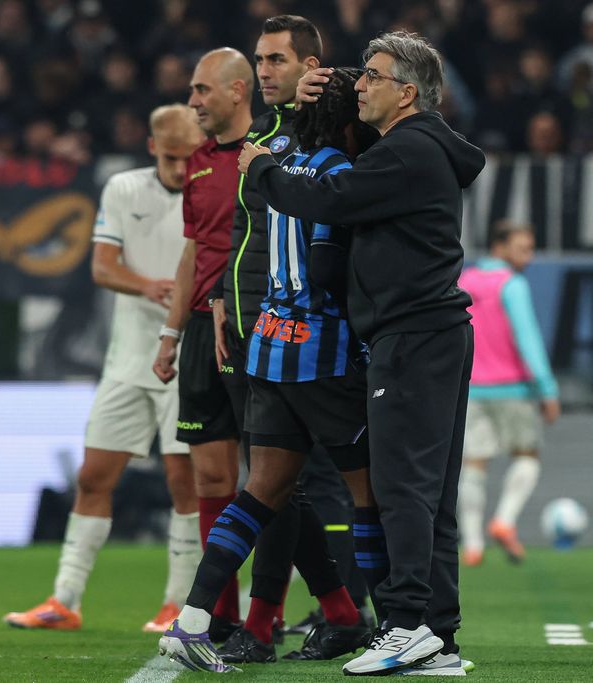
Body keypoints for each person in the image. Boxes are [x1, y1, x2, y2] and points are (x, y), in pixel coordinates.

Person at [239, 30, 486, 676]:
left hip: (411, 336)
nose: (362, 87)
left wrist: (260, 166)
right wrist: (307, 100)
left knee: (403, 484)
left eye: (374, 77)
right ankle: (439, 634)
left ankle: (405, 623)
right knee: (429, 494)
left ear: (406, 92)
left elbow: (326, 197)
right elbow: (347, 137)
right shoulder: (413, 146)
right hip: (429, 334)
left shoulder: (405, 153)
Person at [159, 67, 383, 673]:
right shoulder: (341, 174)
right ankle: (394, 625)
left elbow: (247, 230)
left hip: (268, 344)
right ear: (349, 120)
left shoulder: (274, 157)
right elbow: (333, 268)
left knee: (262, 490)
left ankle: (192, 619)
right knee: (368, 495)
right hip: (323, 353)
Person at [208, 15, 373, 662]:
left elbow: (352, 181)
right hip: (252, 331)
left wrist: (323, 110)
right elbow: (243, 232)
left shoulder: (313, 137)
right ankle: (331, 611)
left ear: (312, 69)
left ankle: (268, 619)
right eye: (260, 59)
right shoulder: (262, 135)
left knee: (283, 487)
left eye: (277, 60)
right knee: (276, 488)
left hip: (306, 338)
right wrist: (222, 296)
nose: (264, 71)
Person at [3, 104, 205, 631]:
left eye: (190, 157)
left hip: (187, 360)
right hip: (126, 360)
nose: (182, 169)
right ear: (151, 148)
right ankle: (64, 598)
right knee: (94, 476)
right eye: (171, 157)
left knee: (184, 481)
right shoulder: (122, 189)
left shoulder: (212, 192)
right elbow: (101, 265)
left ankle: (177, 603)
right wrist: (149, 286)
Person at [153, 47, 252, 641]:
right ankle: (224, 615)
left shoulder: (269, 153)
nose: (192, 102)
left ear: (237, 91)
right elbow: (193, 252)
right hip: (197, 330)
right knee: (211, 480)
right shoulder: (198, 165)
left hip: (253, 324)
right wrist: (170, 335)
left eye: (201, 91)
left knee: (273, 480)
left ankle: (280, 613)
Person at [456, 223, 560, 567]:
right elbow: (526, 339)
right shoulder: (512, 284)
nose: (527, 257)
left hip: (471, 387)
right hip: (513, 388)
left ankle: (472, 543)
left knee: (474, 463)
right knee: (527, 455)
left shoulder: (465, 280)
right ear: (500, 247)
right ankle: (504, 520)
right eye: (522, 248)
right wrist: (547, 389)